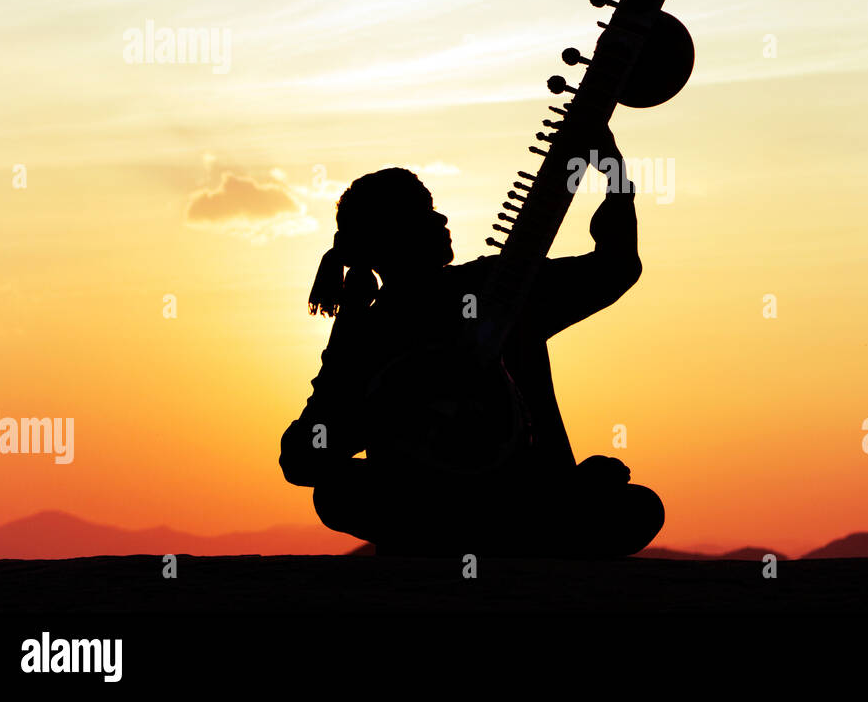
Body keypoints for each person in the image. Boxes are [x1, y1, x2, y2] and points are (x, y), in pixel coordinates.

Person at [279, 125, 664, 557]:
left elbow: (305, 459)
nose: (441, 219)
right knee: (632, 504)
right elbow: (616, 266)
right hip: (508, 513)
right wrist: (615, 179)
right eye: (423, 213)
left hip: (463, 516)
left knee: (335, 493)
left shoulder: (391, 324)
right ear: (392, 236)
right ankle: (538, 522)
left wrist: (352, 324)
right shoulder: (489, 289)